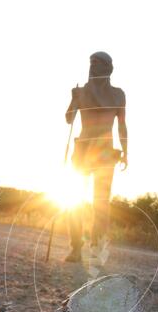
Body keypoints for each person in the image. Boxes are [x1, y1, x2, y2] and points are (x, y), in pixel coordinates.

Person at [64, 51, 127, 262]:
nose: (93, 67)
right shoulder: (81, 92)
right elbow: (68, 119)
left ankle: (96, 246)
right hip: (83, 149)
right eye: (91, 63)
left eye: (98, 64)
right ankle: (75, 247)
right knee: (75, 200)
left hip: (106, 153)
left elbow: (122, 125)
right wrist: (73, 100)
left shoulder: (118, 95)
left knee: (101, 202)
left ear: (108, 68)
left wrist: (126, 151)